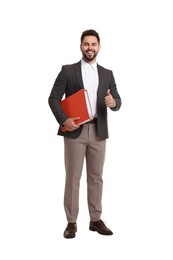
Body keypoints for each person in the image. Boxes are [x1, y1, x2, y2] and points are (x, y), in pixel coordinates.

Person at [48, 29, 121, 238]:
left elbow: (117, 99)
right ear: (81, 46)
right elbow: (53, 98)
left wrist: (113, 102)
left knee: (96, 177)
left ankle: (95, 220)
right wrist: (64, 120)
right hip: (75, 131)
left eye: (94, 44)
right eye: (86, 44)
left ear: (99, 46)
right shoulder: (68, 71)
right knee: (73, 177)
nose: (90, 48)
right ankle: (71, 222)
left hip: (99, 130)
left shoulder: (108, 74)